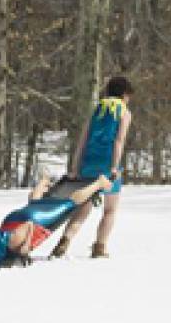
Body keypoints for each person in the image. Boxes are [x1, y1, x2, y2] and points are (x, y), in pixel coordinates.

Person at [51, 76, 134, 259]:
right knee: (110, 209)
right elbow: (118, 141)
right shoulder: (124, 112)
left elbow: (83, 140)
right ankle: (100, 247)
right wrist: (114, 167)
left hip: (88, 162)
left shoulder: (98, 109)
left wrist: (75, 166)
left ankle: (65, 240)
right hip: (107, 163)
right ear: (124, 94)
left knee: (83, 209)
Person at [0, 173, 114, 269]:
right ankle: (43, 182)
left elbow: (29, 225)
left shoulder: (12, 243)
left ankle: (100, 183)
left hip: (35, 222)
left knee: (69, 204)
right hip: (12, 219)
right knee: (34, 203)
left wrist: (26, 247)